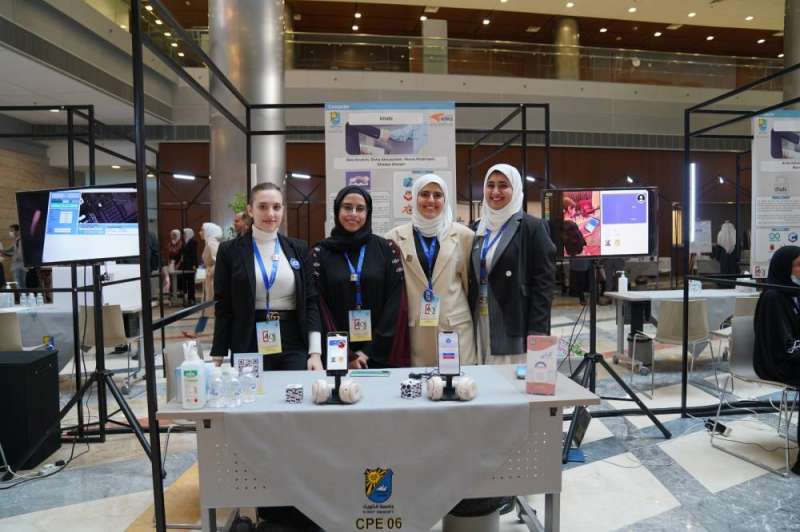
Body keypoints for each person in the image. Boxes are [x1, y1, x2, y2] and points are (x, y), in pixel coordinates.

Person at [311, 185, 408, 369]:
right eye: (347, 207)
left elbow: (396, 304)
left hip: (380, 353)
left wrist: (368, 352)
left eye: (360, 208)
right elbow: (319, 308)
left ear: (368, 213)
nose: (353, 214)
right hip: (336, 353)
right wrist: (347, 354)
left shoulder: (386, 249)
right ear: (337, 210)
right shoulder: (320, 253)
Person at [386, 174, 476, 366]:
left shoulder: (465, 236)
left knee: (459, 380)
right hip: (416, 330)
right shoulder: (394, 237)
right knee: (420, 381)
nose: (431, 200)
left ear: (445, 199)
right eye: (425, 194)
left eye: (437, 195)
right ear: (415, 197)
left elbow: (469, 284)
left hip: (455, 327)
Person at [470, 163, 556, 364]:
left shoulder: (532, 227)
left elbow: (544, 284)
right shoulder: (477, 228)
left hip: (514, 322)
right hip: (480, 319)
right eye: (490, 185)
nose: (495, 191)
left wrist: (538, 330)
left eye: (503, 185)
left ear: (515, 188)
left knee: (511, 378)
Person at [753, 245, 800, 475]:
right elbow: (782, 346)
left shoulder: (793, 293)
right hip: (776, 361)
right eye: (798, 265)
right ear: (784, 268)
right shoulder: (773, 297)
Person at [2, 224, 26, 289]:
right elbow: (10, 249)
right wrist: (2, 251)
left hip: (21, 265)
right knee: (19, 283)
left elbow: (19, 254)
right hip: (16, 265)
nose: (10, 232)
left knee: (21, 284)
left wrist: (11, 256)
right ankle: (22, 294)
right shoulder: (16, 240)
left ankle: (23, 295)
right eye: (10, 231)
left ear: (17, 231)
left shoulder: (21, 240)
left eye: (12, 231)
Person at [180, 227, 198, 305]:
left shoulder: (193, 242)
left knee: (191, 282)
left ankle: (192, 298)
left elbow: (194, 254)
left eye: (184, 233)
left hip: (190, 265)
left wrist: (194, 264)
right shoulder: (185, 242)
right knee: (185, 282)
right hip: (185, 265)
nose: (183, 235)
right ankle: (187, 298)